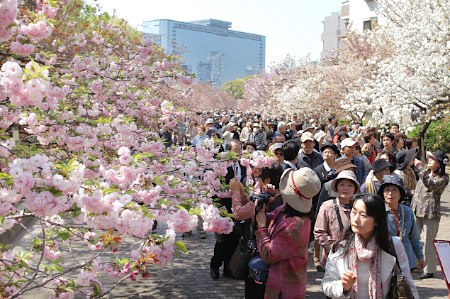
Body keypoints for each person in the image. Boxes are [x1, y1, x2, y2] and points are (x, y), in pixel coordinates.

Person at [322, 194, 419, 298]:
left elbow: (407, 282)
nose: (356, 219)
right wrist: (343, 286)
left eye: (363, 215)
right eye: (354, 212)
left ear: (377, 221)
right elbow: (327, 284)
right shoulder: (340, 246)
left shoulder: (393, 245)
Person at [255, 167, 321, 298]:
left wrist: (261, 226)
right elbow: (272, 217)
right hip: (282, 281)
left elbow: (269, 254)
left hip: (284, 287)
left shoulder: (294, 226)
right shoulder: (287, 209)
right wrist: (267, 202)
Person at [210, 140, 246, 280]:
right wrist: (219, 207)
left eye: (239, 149)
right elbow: (214, 189)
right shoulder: (221, 168)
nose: (237, 152)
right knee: (222, 240)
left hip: (238, 207)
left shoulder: (243, 166)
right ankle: (215, 266)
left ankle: (229, 268)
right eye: (235, 149)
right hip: (224, 207)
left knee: (235, 239)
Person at [411, 150, 449, 279]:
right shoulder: (426, 173)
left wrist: (420, 168)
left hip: (430, 213)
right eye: (430, 158)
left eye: (433, 159)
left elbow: (431, 184)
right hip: (417, 210)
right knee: (414, 238)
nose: (430, 160)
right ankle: (415, 264)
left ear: (439, 163)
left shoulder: (443, 178)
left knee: (428, 242)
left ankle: (430, 269)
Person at [314, 170, 360, 269]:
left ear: (355, 189)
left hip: (356, 259)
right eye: (342, 185)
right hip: (332, 260)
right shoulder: (327, 206)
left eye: (350, 185)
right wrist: (334, 247)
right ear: (337, 187)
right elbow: (319, 232)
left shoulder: (360, 207)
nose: (345, 188)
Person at [378, 174, 424, 270]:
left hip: (406, 259)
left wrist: (420, 256)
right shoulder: (378, 211)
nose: (390, 193)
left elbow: (414, 237)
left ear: (400, 194)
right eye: (387, 190)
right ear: (382, 193)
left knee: (406, 284)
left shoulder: (407, 211)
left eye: (394, 190)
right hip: (385, 259)